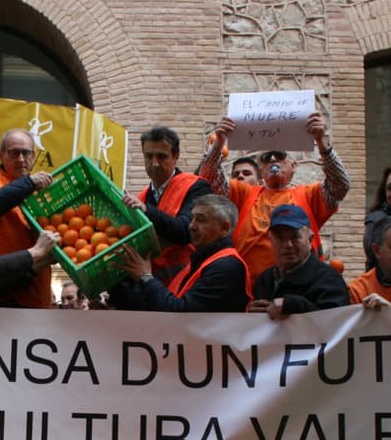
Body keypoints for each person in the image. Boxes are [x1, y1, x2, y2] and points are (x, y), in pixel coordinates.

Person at [200, 113, 350, 280]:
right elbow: (208, 179)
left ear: (294, 166)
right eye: (266, 158)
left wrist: (322, 143)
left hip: (300, 287)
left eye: (279, 155)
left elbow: (340, 186)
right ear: (261, 170)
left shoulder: (308, 195)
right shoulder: (245, 193)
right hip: (249, 290)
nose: (272, 159)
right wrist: (219, 143)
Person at [110, 194, 251, 313]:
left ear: (224, 228)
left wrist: (145, 277)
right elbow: (156, 309)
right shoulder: (199, 263)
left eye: (201, 220)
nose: (191, 226)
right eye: (192, 218)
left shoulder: (227, 267)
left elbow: (179, 314)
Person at [0, 129, 55, 308]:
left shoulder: (42, 192)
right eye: (15, 153)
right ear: (1, 155)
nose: (21, 159)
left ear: (34, 156)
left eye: (27, 153)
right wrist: (29, 183)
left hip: (35, 294)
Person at [123, 127, 214, 283]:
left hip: (186, 280)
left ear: (175, 157)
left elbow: (187, 231)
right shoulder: (142, 197)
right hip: (151, 283)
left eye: (161, 156)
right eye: (149, 156)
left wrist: (147, 210)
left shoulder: (196, 186)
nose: (155, 163)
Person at [248, 204, 348, 319]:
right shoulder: (264, 280)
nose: (288, 245)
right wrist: (252, 318)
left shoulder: (329, 280)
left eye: (295, 237)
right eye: (280, 238)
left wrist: (293, 306)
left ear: (310, 240)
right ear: (270, 240)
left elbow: (337, 324)